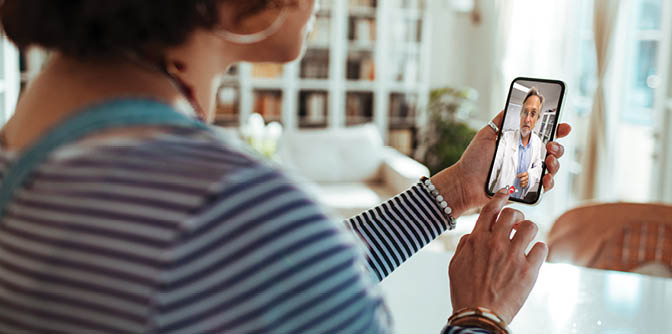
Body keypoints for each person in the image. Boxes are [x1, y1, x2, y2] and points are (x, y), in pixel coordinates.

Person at [0, 1, 571, 333]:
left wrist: (454, 191)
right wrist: (481, 315)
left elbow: (266, 278)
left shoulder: (35, 151)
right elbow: (268, 257)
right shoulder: (227, 208)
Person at [489, 87, 547, 200]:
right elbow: (495, 164)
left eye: (533, 114)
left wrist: (530, 176)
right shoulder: (506, 138)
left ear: (538, 119)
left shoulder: (537, 141)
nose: (527, 119)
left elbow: (538, 165)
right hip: (500, 198)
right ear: (520, 114)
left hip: (520, 198)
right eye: (525, 112)